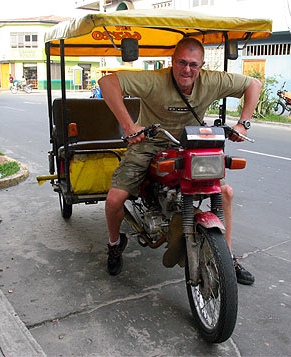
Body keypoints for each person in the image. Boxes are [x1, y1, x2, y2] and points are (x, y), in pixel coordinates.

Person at [98, 37, 261, 285]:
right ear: (172, 62)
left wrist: (243, 123)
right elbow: (107, 82)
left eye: (193, 65)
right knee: (114, 199)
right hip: (150, 142)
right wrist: (130, 126)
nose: (187, 70)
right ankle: (114, 243)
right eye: (181, 63)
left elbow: (254, 84)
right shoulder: (154, 80)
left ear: (202, 65)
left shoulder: (212, 80)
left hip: (191, 144)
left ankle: (226, 256)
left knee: (225, 192)